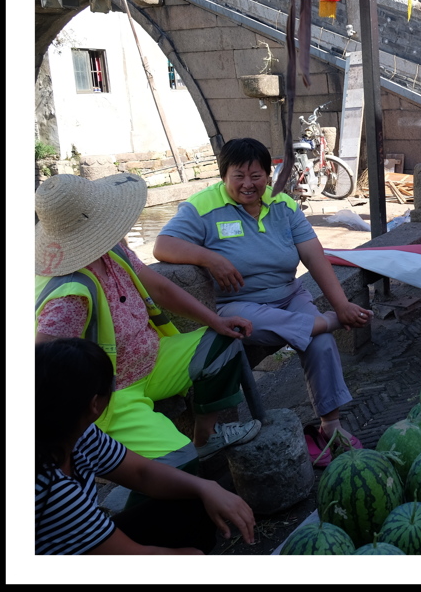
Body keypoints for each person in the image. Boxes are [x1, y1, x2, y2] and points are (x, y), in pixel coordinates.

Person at [152, 138, 372, 466]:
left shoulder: (282, 204)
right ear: (223, 175)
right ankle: (324, 321)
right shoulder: (202, 207)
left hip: (289, 295)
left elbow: (314, 254)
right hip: (237, 303)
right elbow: (162, 246)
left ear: (269, 175)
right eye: (238, 175)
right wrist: (209, 257)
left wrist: (339, 303)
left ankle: (331, 427)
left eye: (256, 175)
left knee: (322, 342)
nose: (247, 184)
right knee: (262, 324)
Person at [35, 173, 261, 470]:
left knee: (224, 339)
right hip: (113, 395)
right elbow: (42, 368)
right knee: (180, 463)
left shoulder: (112, 252)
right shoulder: (68, 297)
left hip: (155, 357)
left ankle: (206, 437)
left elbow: (160, 287)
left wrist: (215, 320)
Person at [35, 338, 256, 554]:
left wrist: (206, 487)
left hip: (83, 540)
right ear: (95, 404)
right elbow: (134, 556)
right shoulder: (52, 489)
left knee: (192, 500)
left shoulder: (74, 431)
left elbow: (141, 473)